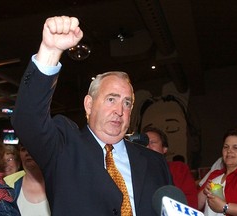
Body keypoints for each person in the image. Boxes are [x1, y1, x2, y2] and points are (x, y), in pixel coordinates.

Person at [11, 16, 172, 215]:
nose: (119, 111)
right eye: (111, 99)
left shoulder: (155, 163)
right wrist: (50, 52)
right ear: (89, 105)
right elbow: (28, 120)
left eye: (127, 103)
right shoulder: (64, 149)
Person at [142, 125, 198, 209]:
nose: (147, 146)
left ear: (164, 149)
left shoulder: (178, 169)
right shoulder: (134, 171)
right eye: (144, 143)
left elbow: (190, 202)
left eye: (152, 142)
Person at [198, 128, 237, 215]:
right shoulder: (214, 174)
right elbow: (196, 205)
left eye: (235, 148)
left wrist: (225, 207)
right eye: (226, 147)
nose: (229, 151)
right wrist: (204, 191)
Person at [4, 143, 51, 215]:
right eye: (23, 149)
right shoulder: (8, 186)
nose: (27, 152)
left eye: (32, 148)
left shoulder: (59, 186)